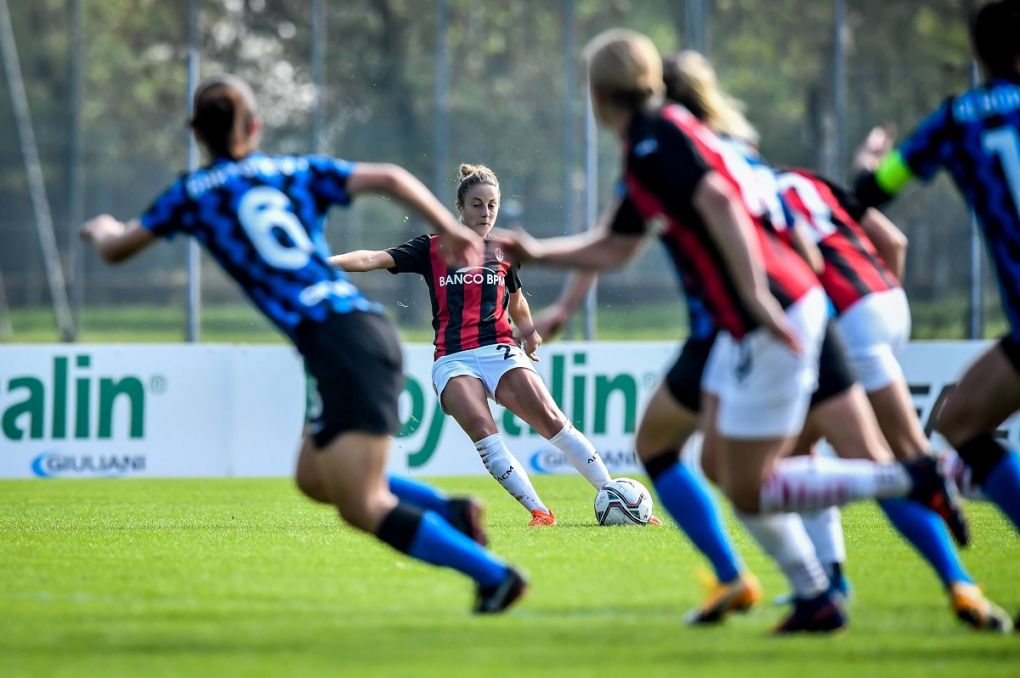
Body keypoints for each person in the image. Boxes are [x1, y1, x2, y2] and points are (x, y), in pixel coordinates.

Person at [496, 29, 966, 633]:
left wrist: (753, 297)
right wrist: (537, 252)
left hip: (762, 316)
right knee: (684, 451)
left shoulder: (656, 141)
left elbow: (718, 202)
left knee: (749, 484)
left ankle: (911, 481)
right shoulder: (660, 137)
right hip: (776, 308)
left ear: (600, 93)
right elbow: (616, 245)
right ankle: (812, 588)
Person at [79, 75, 527, 614]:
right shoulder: (290, 170)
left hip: (342, 342)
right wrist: (446, 228)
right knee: (314, 477)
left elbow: (115, 249)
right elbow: (388, 175)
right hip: (348, 334)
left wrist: (102, 226)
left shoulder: (191, 195)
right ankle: (449, 513)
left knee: (362, 504)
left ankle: (494, 575)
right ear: (255, 127)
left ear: (195, 131)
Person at [331, 163, 625, 527]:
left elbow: (515, 300)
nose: (485, 213)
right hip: (452, 359)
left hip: (499, 349)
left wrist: (529, 332)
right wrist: (322, 263)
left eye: (492, 205)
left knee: (552, 421)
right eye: (476, 204)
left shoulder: (503, 250)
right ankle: (540, 512)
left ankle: (615, 495)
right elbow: (373, 258)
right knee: (484, 432)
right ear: (460, 207)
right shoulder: (432, 248)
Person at [852, 0, 1020, 548]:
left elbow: (877, 190)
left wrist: (867, 166)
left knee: (962, 423)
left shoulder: (956, 120)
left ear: (976, 53)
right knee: (963, 417)